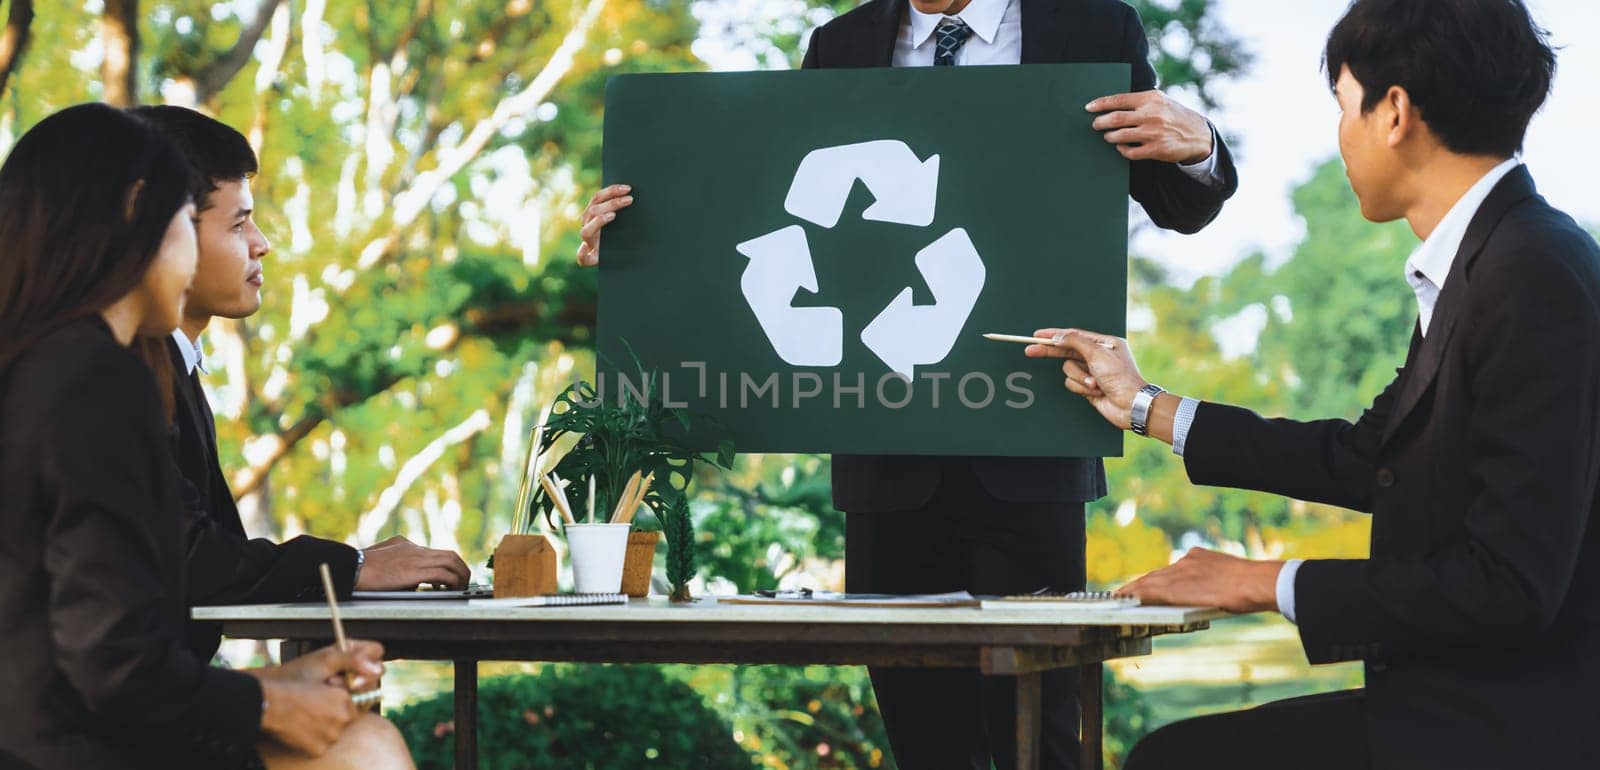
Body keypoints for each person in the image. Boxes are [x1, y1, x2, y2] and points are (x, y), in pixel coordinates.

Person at [577, 1, 1237, 767]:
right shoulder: (842, 45)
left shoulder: (1090, 30)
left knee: (1041, 735)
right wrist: (639, 242)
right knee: (923, 740)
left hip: (1027, 448)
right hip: (883, 459)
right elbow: (769, 205)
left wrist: (1201, 147)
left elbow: (1178, 206)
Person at [1026, 1, 1599, 767]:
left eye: (1341, 104)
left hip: (1505, 725)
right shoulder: (1493, 260)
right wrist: (1146, 408)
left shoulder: (1530, 274)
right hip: (1458, 705)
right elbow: (1369, 456)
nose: (1341, 139)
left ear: (1392, 111)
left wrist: (1264, 582)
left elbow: (1508, 585)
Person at [0, 103, 415, 770]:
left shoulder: (46, 366)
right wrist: (267, 705)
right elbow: (113, 664)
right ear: (141, 216)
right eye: (189, 221)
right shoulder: (94, 379)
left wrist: (272, 686)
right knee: (364, 749)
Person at [125, 105, 471, 661]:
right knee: (359, 731)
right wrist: (350, 567)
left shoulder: (171, 363)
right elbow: (188, 559)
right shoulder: (118, 372)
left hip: (151, 703)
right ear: (164, 232)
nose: (261, 244)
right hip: (105, 727)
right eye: (238, 224)